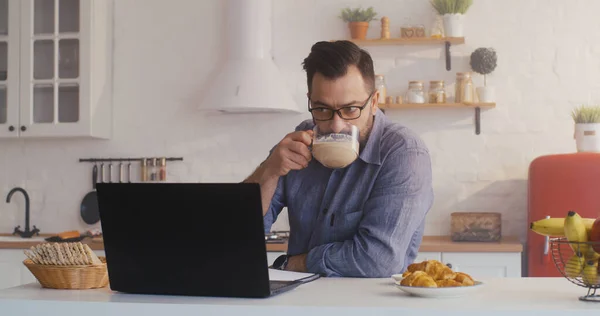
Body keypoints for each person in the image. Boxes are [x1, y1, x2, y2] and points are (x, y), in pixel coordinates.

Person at [244, 40, 434, 278]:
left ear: (373, 103)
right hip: (299, 301)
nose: (336, 125)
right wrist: (270, 170)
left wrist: (291, 264)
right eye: (322, 109)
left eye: (351, 109)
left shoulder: (403, 153)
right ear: (310, 101)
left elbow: (378, 260)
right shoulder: (302, 138)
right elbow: (239, 232)